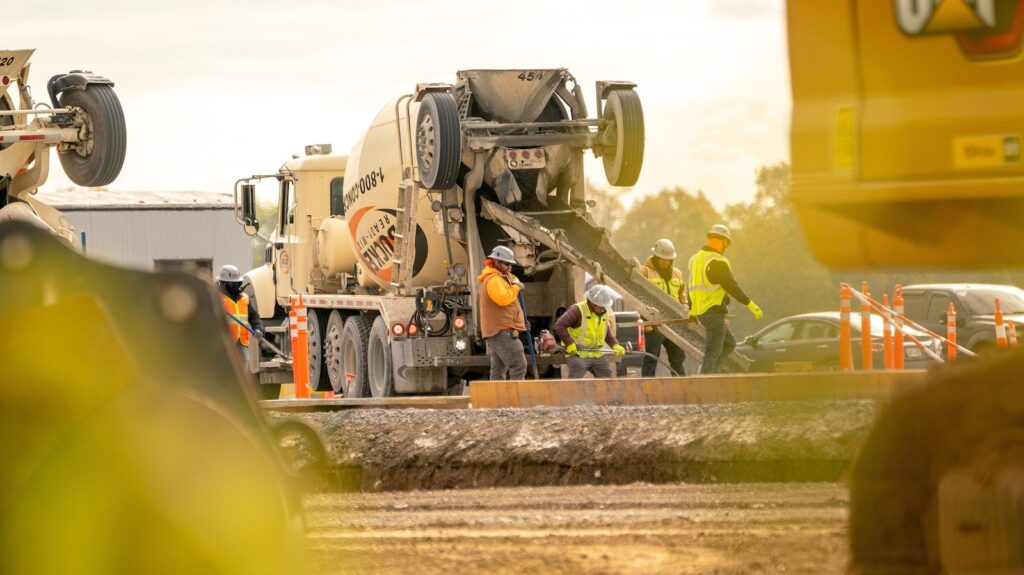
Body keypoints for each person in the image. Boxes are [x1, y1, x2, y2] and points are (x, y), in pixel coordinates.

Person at [687, 225, 763, 374]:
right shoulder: (718, 261)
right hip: (713, 312)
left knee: (729, 343)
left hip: (701, 312)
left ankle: (712, 373)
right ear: (723, 241)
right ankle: (706, 383)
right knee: (712, 351)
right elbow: (731, 286)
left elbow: (692, 287)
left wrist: (692, 310)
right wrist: (749, 303)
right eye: (726, 244)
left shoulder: (695, 259)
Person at [638, 238, 689, 376]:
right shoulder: (644, 272)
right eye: (662, 259)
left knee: (678, 359)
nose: (666, 262)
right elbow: (636, 293)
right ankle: (647, 392)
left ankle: (681, 390)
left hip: (674, 323)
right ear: (655, 257)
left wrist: (685, 306)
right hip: (654, 323)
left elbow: (682, 295)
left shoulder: (677, 273)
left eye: (668, 260)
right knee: (651, 358)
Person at [477, 245, 528, 380]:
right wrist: (516, 287)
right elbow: (503, 299)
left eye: (511, 264)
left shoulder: (497, 278)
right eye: (506, 263)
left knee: (498, 369)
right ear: (496, 262)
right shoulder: (494, 280)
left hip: (498, 331)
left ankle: (497, 400)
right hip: (502, 331)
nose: (510, 267)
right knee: (518, 365)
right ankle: (515, 400)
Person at [555, 284, 626, 378]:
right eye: (601, 306)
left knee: (606, 374)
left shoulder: (603, 312)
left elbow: (606, 333)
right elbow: (560, 325)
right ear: (593, 303)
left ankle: (605, 392)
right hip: (577, 353)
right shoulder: (577, 310)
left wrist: (615, 345)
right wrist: (569, 343)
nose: (604, 309)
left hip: (595, 353)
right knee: (578, 368)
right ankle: (572, 391)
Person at [217, 264, 263, 362]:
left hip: (242, 345)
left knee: (242, 374)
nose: (234, 286)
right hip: (224, 346)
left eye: (237, 283)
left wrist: (258, 328)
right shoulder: (216, 299)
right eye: (231, 284)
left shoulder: (244, 299)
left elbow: (254, 317)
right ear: (223, 283)